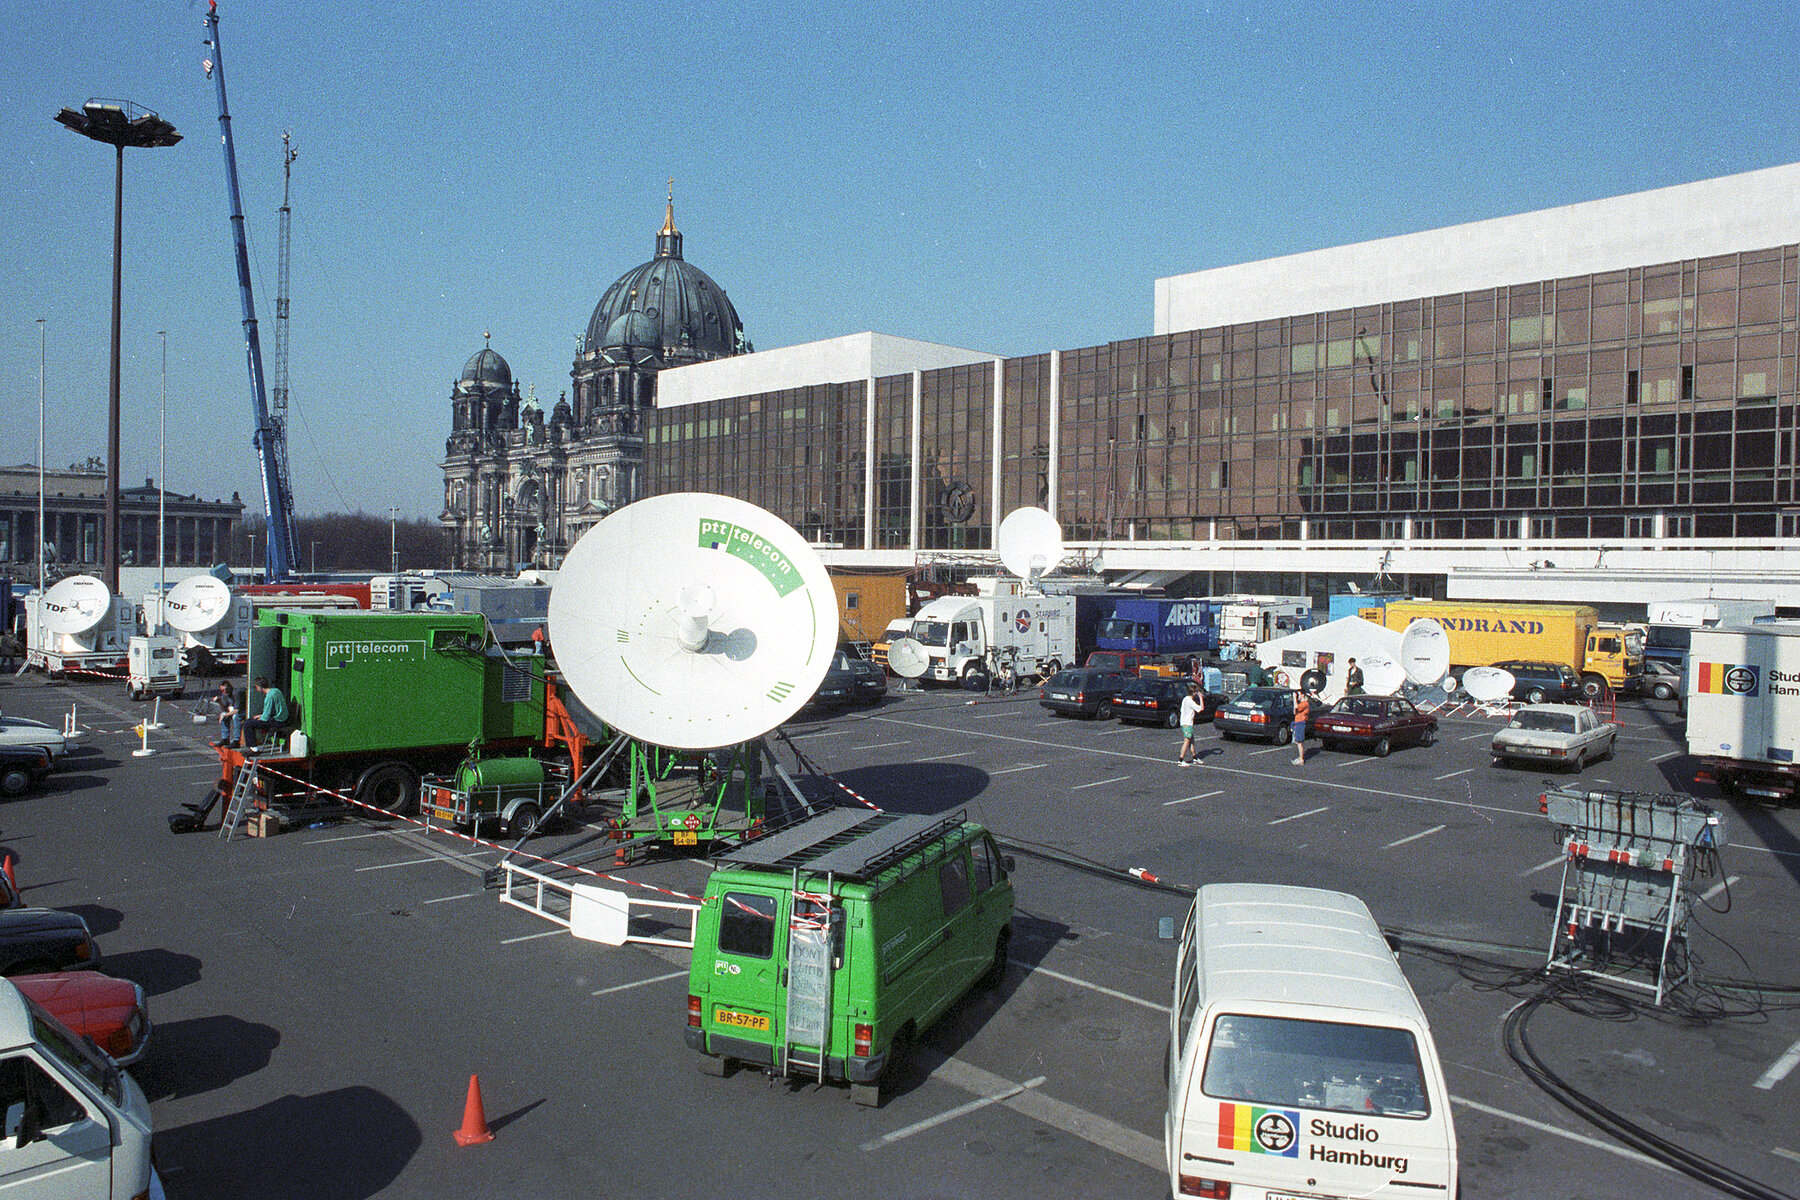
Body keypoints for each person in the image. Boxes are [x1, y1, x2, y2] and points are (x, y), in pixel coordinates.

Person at [239, 676, 289, 750]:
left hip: (277, 721)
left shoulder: (269, 697)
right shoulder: (276, 691)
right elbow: (273, 710)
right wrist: (260, 716)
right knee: (252, 720)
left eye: (256, 687)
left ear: (259, 687)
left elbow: (265, 718)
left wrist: (260, 718)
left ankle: (253, 748)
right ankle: (252, 746)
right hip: (282, 719)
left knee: (248, 723)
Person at [1176, 681, 1205, 765]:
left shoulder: (1185, 699)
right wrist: (1201, 698)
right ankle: (1180, 760)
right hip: (1187, 723)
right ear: (1194, 693)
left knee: (1191, 741)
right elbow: (1201, 708)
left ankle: (1195, 758)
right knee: (1187, 741)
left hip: (1185, 722)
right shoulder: (1190, 701)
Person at [211, 680, 240, 748]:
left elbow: (237, 710)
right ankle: (225, 738)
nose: (224, 692)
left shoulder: (236, 694)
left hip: (241, 711)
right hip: (233, 710)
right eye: (222, 690)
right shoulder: (224, 695)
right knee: (224, 716)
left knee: (236, 717)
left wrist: (226, 714)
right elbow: (225, 708)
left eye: (225, 690)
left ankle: (236, 740)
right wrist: (219, 702)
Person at [1291, 689, 1312, 765]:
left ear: (1302, 695)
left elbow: (1297, 707)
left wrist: (1294, 698)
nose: (1298, 696)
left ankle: (1301, 759)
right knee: (1298, 742)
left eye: (1299, 695)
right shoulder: (1301, 703)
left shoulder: (1304, 703)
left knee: (1299, 742)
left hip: (1300, 723)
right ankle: (1300, 757)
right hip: (1297, 722)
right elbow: (1294, 711)